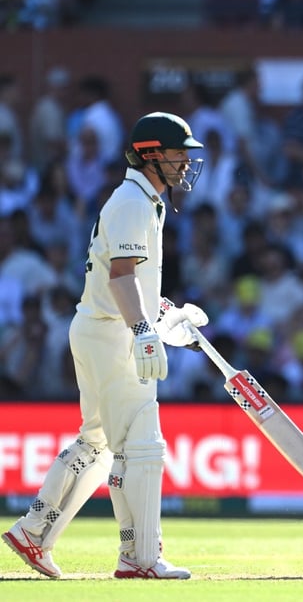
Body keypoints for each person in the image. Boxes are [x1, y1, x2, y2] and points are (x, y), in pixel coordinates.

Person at [2, 112, 210, 579]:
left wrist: (166, 316)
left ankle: (34, 532)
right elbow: (120, 276)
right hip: (114, 333)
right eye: (178, 152)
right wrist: (143, 330)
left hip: (99, 328)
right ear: (151, 154)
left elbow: (127, 277)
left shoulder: (140, 199)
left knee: (96, 443)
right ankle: (140, 556)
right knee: (142, 444)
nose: (185, 162)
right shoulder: (134, 202)